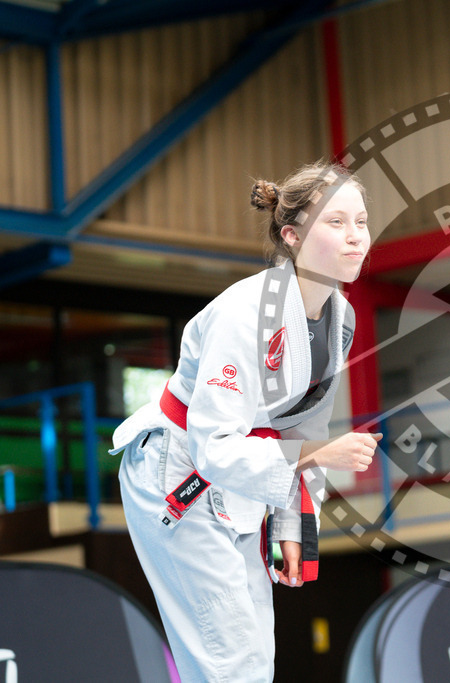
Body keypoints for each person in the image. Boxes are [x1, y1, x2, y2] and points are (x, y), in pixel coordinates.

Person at [111, 161, 381, 682]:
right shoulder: (245, 313)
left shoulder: (340, 317)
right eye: (336, 222)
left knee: (254, 655)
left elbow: (305, 427)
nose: (355, 237)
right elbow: (215, 445)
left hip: (243, 480)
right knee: (230, 659)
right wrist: (318, 456)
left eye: (361, 222)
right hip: (178, 470)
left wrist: (294, 526)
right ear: (292, 236)